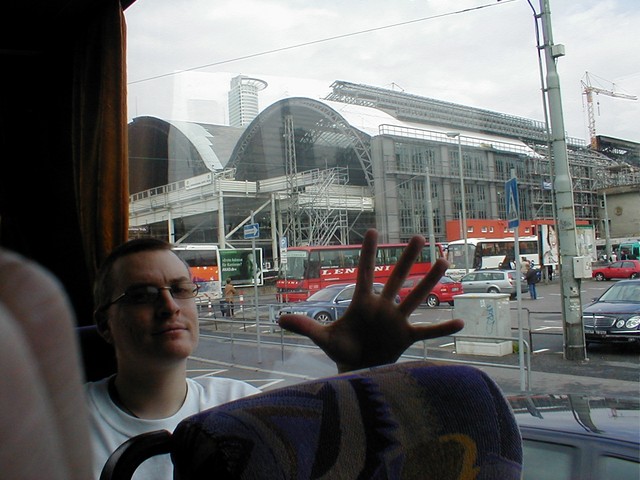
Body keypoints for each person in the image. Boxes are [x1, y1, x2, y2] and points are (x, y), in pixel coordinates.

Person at [85, 229, 464, 479]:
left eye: (180, 289)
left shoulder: (244, 409)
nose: (169, 306)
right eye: (142, 295)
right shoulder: (56, 423)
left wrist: (362, 374)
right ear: (104, 324)